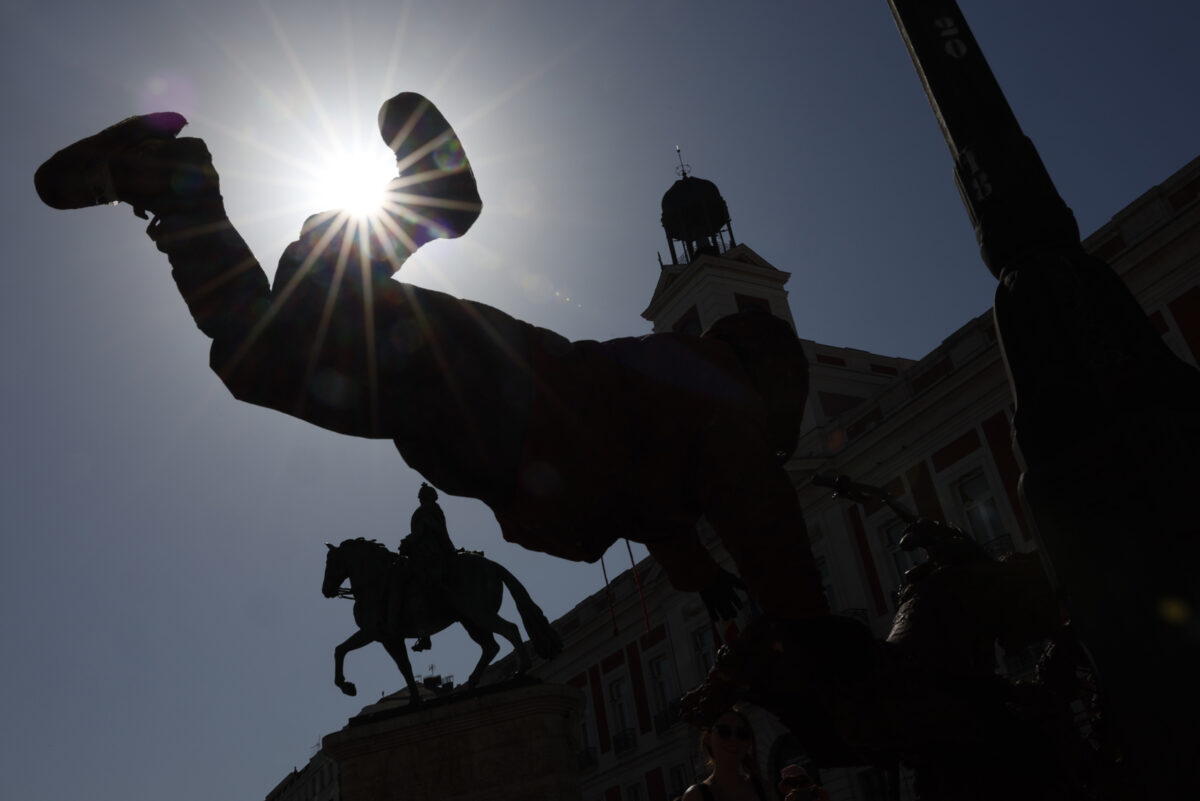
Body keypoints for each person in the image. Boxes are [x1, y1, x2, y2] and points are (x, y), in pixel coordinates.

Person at [34, 93, 831, 623]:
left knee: (264, 348)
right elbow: (771, 535)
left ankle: (199, 188)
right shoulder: (718, 402)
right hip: (495, 398)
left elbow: (659, 512)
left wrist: (704, 578)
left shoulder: (678, 424)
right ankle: (399, 199)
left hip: (482, 424)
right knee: (267, 354)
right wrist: (807, 629)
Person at [399, 482, 458, 651]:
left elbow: (424, 529)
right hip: (426, 551)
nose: (420, 499)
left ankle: (425, 629)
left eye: (422, 496)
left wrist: (408, 541)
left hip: (429, 553)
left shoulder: (428, 510)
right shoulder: (433, 509)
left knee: (412, 580)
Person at [682, 707, 769, 801]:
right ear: (708, 738)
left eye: (741, 733)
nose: (733, 739)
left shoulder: (764, 789)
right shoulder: (695, 797)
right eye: (724, 731)